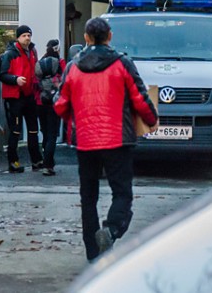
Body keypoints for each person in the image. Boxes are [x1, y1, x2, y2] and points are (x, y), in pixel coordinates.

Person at [54, 17, 158, 262]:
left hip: (85, 142)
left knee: (88, 197)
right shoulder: (123, 64)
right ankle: (111, 230)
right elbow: (140, 98)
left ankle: (93, 253)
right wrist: (151, 119)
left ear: (87, 38)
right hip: (118, 140)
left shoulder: (73, 67)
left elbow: (60, 106)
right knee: (122, 193)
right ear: (110, 36)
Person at [0, 25, 43, 173]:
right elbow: (2, 74)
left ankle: (36, 161)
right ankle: (13, 163)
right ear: (18, 37)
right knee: (15, 131)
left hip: (28, 95)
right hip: (15, 97)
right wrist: (15, 79)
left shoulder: (32, 52)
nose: (27, 38)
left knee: (33, 130)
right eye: (24, 35)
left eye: (29, 36)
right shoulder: (10, 54)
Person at [35, 39, 66, 176]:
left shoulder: (41, 62)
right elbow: (66, 80)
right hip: (54, 102)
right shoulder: (60, 63)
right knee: (53, 134)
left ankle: (46, 161)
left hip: (40, 102)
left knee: (46, 133)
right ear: (57, 49)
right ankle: (48, 165)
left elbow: (34, 82)